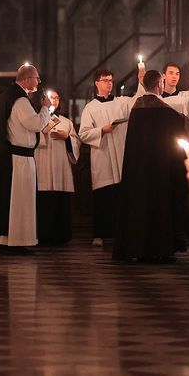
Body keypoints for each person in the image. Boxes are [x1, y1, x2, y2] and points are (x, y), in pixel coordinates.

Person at [113, 70, 189, 263]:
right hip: (161, 171)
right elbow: (180, 131)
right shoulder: (167, 113)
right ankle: (160, 249)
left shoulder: (136, 110)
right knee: (160, 206)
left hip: (138, 172)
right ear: (159, 85)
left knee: (138, 207)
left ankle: (136, 248)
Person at [77, 68, 145, 247]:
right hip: (103, 156)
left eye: (111, 80)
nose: (109, 83)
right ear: (96, 83)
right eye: (105, 80)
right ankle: (99, 234)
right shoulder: (90, 107)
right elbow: (83, 134)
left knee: (121, 196)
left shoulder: (121, 102)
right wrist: (101, 130)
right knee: (102, 197)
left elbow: (139, 99)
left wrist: (141, 80)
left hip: (120, 153)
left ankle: (120, 234)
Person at [0, 65, 51, 255]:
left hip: (14, 156)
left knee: (11, 199)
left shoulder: (10, 95)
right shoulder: (20, 100)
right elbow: (34, 124)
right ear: (26, 79)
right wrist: (45, 108)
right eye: (37, 77)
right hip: (19, 159)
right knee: (19, 201)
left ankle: (7, 240)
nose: (39, 81)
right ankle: (15, 241)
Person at [34, 91, 79, 246]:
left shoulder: (66, 122)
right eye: (50, 98)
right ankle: (43, 235)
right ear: (42, 100)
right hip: (43, 163)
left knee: (61, 200)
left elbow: (75, 142)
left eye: (56, 98)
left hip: (61, 167)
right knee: (43, 201)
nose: (53, 100)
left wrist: (67, 138)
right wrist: (42, 133)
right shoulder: (37, 120)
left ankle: (61, 235)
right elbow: (31, 139)